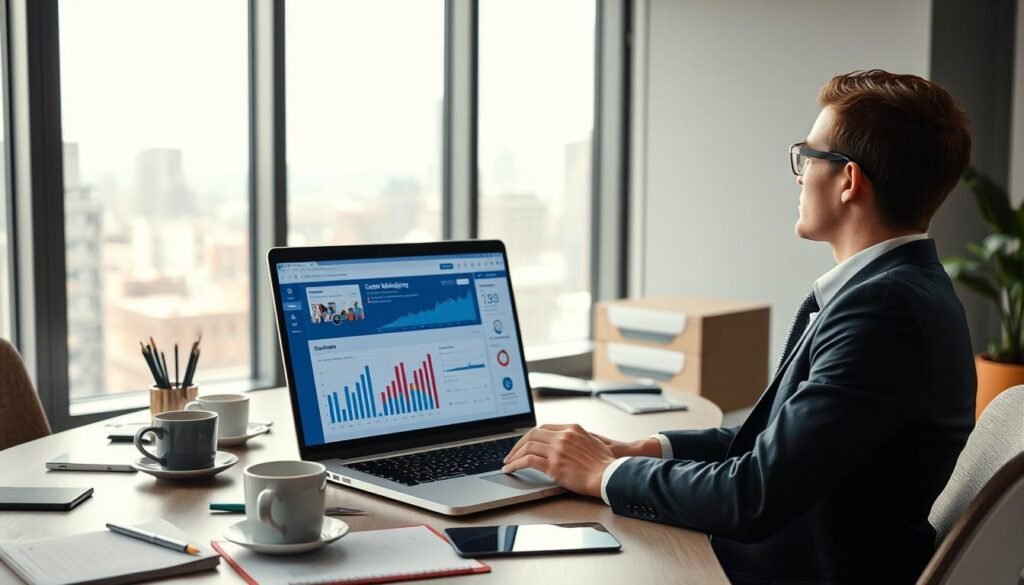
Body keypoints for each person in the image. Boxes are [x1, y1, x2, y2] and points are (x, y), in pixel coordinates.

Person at [502, 70, 976, 584]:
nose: (798, 175)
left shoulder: (883, 309)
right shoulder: (910, 287)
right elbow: (784, 444)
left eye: (807, 156)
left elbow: (752, 496)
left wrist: (603, 473)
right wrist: (646, 449)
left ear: (848, 181)